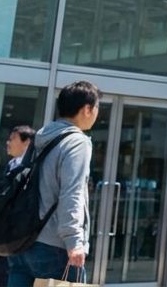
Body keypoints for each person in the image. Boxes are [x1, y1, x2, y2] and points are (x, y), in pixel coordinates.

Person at [7, 80, 99, 287]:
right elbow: (71, 192)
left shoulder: (41, 136)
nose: (96, 114)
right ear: (87, 109)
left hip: (22, 241)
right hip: (54, 246)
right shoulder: (77, 142)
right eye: (96, 108)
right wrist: (74, 241)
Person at [0, 125, 33, 286]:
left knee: (3, 277)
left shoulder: (32, 168)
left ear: (28, 143)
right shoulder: (10, 166)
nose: (8, 143)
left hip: (12, 234)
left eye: (12, 139)